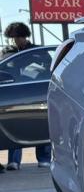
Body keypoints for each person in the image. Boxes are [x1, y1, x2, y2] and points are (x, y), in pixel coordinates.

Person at [3, 22, 51, 170]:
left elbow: (49, 67)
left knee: (40, 124)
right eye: (11, 38)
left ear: (24, 36)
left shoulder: (37, 51)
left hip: (35, 93)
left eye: (16, 38)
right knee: (16, 125)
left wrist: (33, 70)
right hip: (14, 95)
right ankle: (14, 161)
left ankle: (44, 158)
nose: (14, 41)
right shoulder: (8, 52)